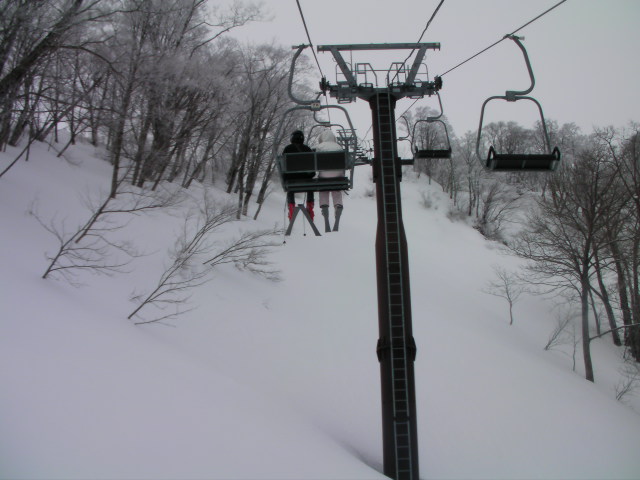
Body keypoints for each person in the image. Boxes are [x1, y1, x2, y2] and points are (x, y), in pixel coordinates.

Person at [315, 129, 344, 232]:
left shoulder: (320, 147)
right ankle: (338, 205)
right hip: (338, 175)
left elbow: (316, 163)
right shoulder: (339, 147)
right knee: (336, 190)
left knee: (324, 190)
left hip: (324, 175)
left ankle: (325, 211)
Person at [283, 130, 315, 221]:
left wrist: (284, 177)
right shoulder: (307, 149)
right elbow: (312, 166)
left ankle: (291, 206)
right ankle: (310, 205)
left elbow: (283, 165)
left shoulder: (287, 149)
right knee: (310, 187)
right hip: (306, 178)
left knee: (290, 188)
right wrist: (311, 174)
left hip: (291, 178)